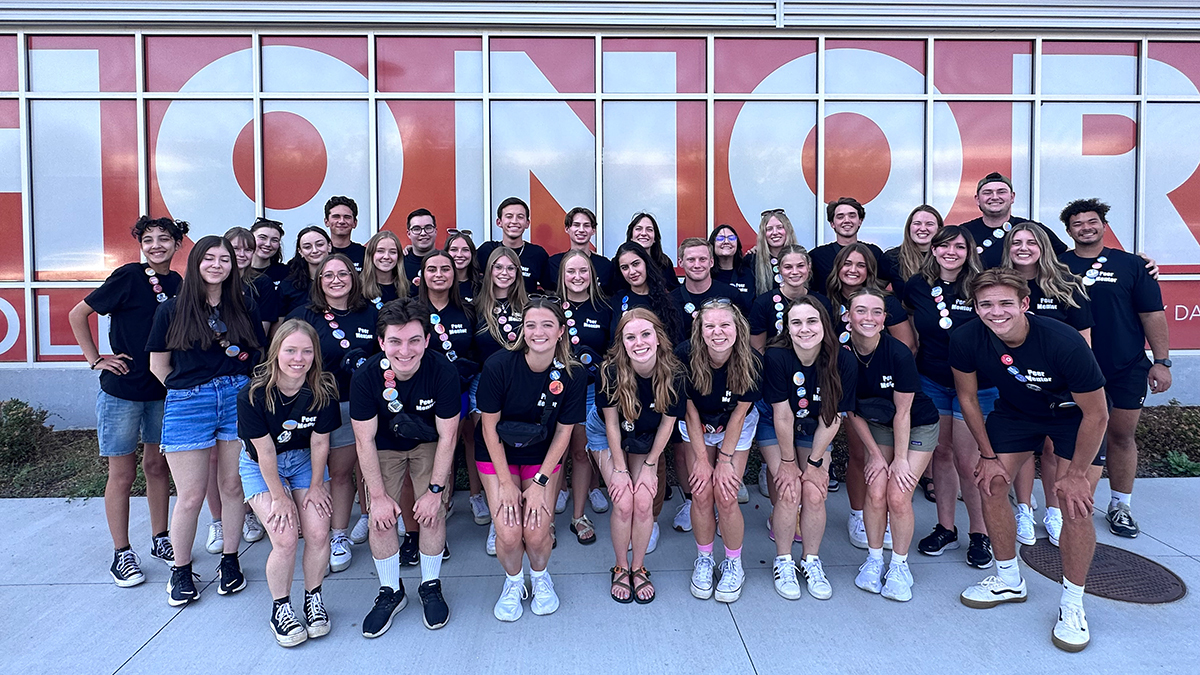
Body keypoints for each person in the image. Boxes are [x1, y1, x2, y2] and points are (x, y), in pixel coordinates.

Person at [951, 269, 1109, 653]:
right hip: (1018, 412)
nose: (996, 312)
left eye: (1006, 303)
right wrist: (988, 455)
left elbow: (1098, 415)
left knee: (1075, 505)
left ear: (1024, 303)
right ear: (975, 307)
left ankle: (1072, 602)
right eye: (986, 304)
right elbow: (968, 398)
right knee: (990, 482)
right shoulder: (966, 336)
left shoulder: (1062, 340)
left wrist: (1074, 476)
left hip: (1074, 416)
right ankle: (1008, 578)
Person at [147, 235, 266, 606]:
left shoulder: (243, 305)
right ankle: (180, 571)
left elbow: (257, 355)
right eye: (209, 258)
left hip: (236, 399)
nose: (217, 265)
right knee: (191, 495)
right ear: (196, 263)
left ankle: (230, 562)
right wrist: (187, 392)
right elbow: (158, 366)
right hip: (188, 403)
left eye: (224, 259)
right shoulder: (173, 309)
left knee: (233, 487)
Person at [69, 215, 185, 587]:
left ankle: (161, 537)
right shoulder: (128, 276)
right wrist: (96, 358)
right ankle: (122, 552)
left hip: (161, 392)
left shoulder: (178, 283)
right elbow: (78, 313)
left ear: (176, 244)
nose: (156, 246)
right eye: (148, 239)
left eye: (164, 239)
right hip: (121, 392)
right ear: (140, 244)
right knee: (122, 474)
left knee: (157, 467)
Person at [1059, 198, 1171, 539]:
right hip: (1074, 372)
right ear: (1068, 230)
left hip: (1125, 367)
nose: (1085, 228)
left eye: (1092, 222)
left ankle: (1120, 505)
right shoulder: (1058, 266)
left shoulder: (1132, 266)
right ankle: (1065, 507)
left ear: (1104, 226)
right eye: (1078, 224)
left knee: (1121, 435)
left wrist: (1163, 361)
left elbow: (1152, 314)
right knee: (1068, 441)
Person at [351, 298, 461, 636]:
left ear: (427, 340)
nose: (405, 350)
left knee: (431, 512)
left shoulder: (443, 370)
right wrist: (379, 498)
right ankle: (390, 591)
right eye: (395, 341)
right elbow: (364, 440)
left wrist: (435, 493)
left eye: (415, 340)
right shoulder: (367, 376)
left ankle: (430, 585)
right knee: (381, 518)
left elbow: (448, 435)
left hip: (429, 440)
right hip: (383, 444)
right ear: (381, 342)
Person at [476, 297, 587, 621]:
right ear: (522, 330)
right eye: (531, 325)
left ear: (561, 331)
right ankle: (513, 583)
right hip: (498, 453)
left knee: (537, 529)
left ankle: (540, 577)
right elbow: (488, 427)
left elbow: (564, 433)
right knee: (509, 531)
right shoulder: (498, 366)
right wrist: (507, 483)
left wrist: (539, 483)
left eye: (547, 325)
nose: (538, 332)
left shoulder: (573, 374)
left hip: (541, 455)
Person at [236, 319, 340, 647]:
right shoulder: (253, 394)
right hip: (262, 466)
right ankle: (280, 607)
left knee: (319, 531)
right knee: (284, 537)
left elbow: (321, 443)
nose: (299, 358)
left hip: (304, 462)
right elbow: (264, 451)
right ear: (276, 351)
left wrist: (315, 486)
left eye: (307, 351)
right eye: (291, 350)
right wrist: (280, 498)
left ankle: (313, 597)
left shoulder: (323, 391)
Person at [901, 226, 996, 569]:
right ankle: (945, 527)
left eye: (959, 246)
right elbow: (910, 325)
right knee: (940, 454)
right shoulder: (917, 285)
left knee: (969, 462)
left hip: (976, 385)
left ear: (969, 250)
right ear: (934, 250)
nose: (951, 252)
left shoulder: (982, 284)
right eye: (944, 246)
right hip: (933, 381)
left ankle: (980, 533)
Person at [844, 289, 941, 602]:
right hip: (875, 425)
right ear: (847, 317)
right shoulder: (841, 356)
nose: (868, 318)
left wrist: (899, 460)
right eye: (861, 311)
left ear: (885, 319)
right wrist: (874, 455)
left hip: (916, 425)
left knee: (898, 496)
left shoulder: (897, 353)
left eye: (876, 312)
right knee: (874, 490)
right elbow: (851, 411)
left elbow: (904, 413)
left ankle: (899, 566)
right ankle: (874, 560)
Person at [759, 296, 857, 600]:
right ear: (787, 328)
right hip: (776, 425)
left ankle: (811, 561)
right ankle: (784, 560)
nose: (804, 329)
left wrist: (814, 464)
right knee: (789, 488)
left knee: (814, 492)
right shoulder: (776, 357)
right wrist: (788, 462)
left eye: (811, 321)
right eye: (796, 322)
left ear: (824, 325)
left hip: (816, 426)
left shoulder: (843, 360)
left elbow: (832, 417)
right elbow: (782, 414)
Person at [1002, 222, 1094, 545]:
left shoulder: (1067, 284)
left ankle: (1053, 510)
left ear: (1043, 246)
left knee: (1054, 449)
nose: (1023, 248)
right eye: (1016, 242)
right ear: (1008, 248)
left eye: (1030, 242)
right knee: (1024, 447)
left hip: (1060, 386)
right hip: (1016, 382)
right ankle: (1024, 509)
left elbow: (1084, 342)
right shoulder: (1002, 284)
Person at [286, 254, 378, 574]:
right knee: (310, 475)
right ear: (319, 280)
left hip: (352, 405)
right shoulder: (302, 316)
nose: (336, 280)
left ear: (353, 278)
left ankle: (338, 535)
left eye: (343, 273)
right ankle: (316, 536)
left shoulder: (369, 314)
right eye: (328, 275)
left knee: (340, 473)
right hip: (309, 406)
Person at [590, 308, 685, 604]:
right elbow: (610, 426)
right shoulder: (610, 372)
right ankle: (620, 567)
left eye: (645, 334)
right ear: (622, 343)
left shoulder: (675, 373)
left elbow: (668, 425)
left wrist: (650, 466)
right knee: (623, 500)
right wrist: (619, 469)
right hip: (608, 435)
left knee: (643, 501)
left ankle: (638, 567)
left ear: (658, 338)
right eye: (630, 337)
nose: (639, 342)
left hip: (645, 438)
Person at [826, 242, 915, 521]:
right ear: (838, 268)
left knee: (886, 456)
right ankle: (857, 514)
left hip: (885, 390)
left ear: (870, 270)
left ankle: (882, 515)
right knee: (859, 453)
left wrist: (883, 378)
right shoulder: (825, 301)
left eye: (860, 265)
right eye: (847, 264)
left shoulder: (885, 302)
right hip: (845, 391)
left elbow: (907, 345)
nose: (853, 270)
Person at [680, 301, 761, 603]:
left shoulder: (751, 360)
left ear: (738, 328)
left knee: (726, 494)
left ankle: (733, 562)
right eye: (709, 326)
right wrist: (702, 459)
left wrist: (724, 461)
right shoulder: (683, 355)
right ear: (699, 331)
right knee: (700, 492)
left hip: (734, 426)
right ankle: (704, 558)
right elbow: (688, 410)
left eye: (725, 325)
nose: (717, 332)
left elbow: (740, 414)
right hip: (696, 423)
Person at [417, 250, 481, 528]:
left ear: (454, 275)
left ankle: (476, 497)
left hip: (461, 389)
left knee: (467, 440)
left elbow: (477, 349)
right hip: (422, 393)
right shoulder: (413, 310)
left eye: (445, 269)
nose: (439, 275)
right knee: (436, 446)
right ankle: (443, 498)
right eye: (432, 269)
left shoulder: (467, 309)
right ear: (422, 275)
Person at [473, 246, 530, 552]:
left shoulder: (527, 305)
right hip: (483, 386)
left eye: (511, 268)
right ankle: (499, 521)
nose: (505, 273)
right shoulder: (476, 306)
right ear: (489, 271)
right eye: (499, 268)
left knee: (518, 444)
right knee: (489, 444)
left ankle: (531, 517)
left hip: (521, 386)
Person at [555, 249, 614, 544]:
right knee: (553, 457)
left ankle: (578, 516)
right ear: (562, 276)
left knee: (580, 453)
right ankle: (546, 521)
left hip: (590, 393)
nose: (577, 277)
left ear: (592, 276)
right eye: (571, 272)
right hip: (554, 393)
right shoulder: (550, 307)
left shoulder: (604, 308)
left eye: (583, 271)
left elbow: (614, 353)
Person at [957, 172, 1069, 270]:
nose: (995, 197)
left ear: (1012, 197)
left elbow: (1067, 256)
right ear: (977, 199)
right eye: (987, 192)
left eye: (1001, 192)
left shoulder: (1033, 229)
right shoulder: (963, 232)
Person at [749, 245, 831, 351]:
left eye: (800, 266)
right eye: (788, 267)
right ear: (779, 269)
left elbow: (828, 344)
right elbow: (758, 351)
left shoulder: (822, 303)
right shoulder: (763, 303)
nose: (795, 271)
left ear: (809, 267)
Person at [810, 197, 890, 295]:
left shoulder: (874, 253)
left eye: (852, 216)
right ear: (832, 224)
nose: (846, 220)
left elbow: (882, 284)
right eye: (840, 217)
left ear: (860, 221)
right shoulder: (817, 256)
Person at [671, 237, 749, 337]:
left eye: (702, 259)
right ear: (680, 262)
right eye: (691, 260)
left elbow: (744, 334)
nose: (697, 265)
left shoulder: (731, 295)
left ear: (711, 262)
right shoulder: (671, 301)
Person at [612, 241, 685, 344]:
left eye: (636, 264)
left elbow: (677, 343)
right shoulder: (616, 300)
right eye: (625, 267)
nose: (632, 271)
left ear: (646, 263)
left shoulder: (669, 301)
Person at [475, 197, 549, 294]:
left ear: (527, 223)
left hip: (526, 308)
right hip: (491, 308)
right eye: (509, 216)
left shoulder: (538, 254)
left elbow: (550, 289)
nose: (514, 221)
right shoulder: (486, 251)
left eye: (520, 217)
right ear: (499, 222)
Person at [545, 207, 614, 293]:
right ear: (567, 229)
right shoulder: (553, 263)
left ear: (593, 230)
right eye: (576, 225)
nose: (581, 230)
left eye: (586, 225)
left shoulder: (605, 265)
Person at [226, 226, 279, 335]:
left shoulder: (263, 282)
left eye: (248, 250)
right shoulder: (215, 281)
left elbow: (262, 331)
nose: (242, 254)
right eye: (235, 248)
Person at [277, 226, 332, 318]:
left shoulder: (343, 282)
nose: (315, 250)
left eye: (320, 245)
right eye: (307, 247)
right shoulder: (288, 286)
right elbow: (280, 324)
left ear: (329, 246)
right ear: (300, 252)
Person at [882, 205, 943, 286]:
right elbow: (877, 290)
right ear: (909, 227)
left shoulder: (947, 258)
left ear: (939, 229)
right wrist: (892, 299)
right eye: (917, 223)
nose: (923, 228)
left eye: (929, 224)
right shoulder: (892, 258)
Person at [747, 209, 799, 296]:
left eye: (780, 227)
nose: (775, 233)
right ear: (763, 234)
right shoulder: (752, 260)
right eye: (769, 229)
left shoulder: (800, 258)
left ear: (788, 230)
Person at [625, 212, 680, 291]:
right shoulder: (619, 262)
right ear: (631, 236)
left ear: (655, 238)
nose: (644, 233)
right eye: (638, 229)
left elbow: (674, 292)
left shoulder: (664, 262)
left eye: (649, 229)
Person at [361, 230, 410, 309]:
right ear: (371, 254)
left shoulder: (408, 289)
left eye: (392, 252)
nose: (386, 256)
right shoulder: (357, 288)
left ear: (399, 257)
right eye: (380, 251)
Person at [709, 224, 757, 305]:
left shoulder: (749, 274)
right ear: (712, 244)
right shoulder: (706, 275)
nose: (726, 242)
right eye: (720, 238)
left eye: (731, 238)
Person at [325, 196, 366, 270]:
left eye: (347, 217)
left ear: (355, 223)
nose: (341, 221)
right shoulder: (320, 252)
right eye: (336, 216)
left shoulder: (364, 254)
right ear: (326, 222)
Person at [403, 208, 439, 289]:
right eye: (416, 229)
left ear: (435, 231)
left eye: (428, 228)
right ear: (409, 234)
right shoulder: (399, 264)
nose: (423, 233)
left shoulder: (446, 262)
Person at [249, 217, 289, 286]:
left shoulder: (286, 273)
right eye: (262, 238)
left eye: (274, 240)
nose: (268, 244)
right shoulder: (238, 271)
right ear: (250, 238)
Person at [445, 230, 480, 304]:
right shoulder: (439, 283)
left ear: (472, 253)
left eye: (465, 250)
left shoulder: (482, 285)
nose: (459, 255)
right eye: (454, 250)